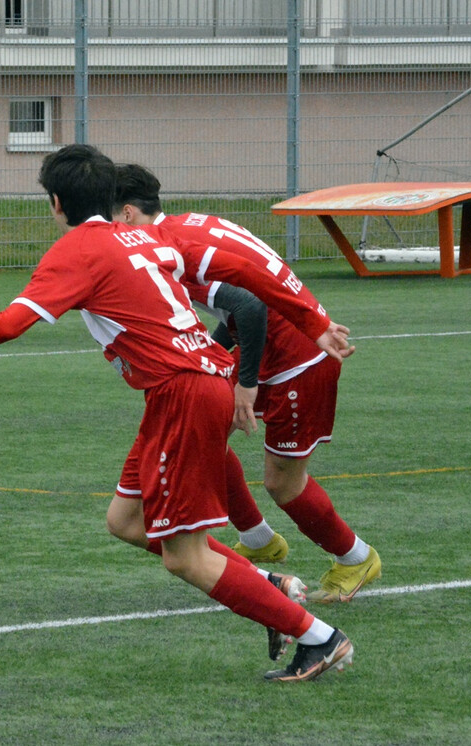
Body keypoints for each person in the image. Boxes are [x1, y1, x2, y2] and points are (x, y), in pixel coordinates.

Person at [0, 143, 355, 681]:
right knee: (126, 521)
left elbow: (9, 325)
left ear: (55, 203)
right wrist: (311, 320)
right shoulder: (147, 234)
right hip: (193, 384)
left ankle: (319, 637)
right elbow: (243, 270)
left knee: (184, 558)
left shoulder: (78, 251)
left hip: (183, 392)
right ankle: (271, 589)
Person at [109, 163, 380, 605]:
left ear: (125, 215)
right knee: (205, 432)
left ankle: (356, 557)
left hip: (299, 360)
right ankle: (259, 541)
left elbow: (249, 307)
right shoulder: (191, 223)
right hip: (275, 342)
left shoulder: (167, 247)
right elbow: (240, 309)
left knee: (282, 483)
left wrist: (246, 384)